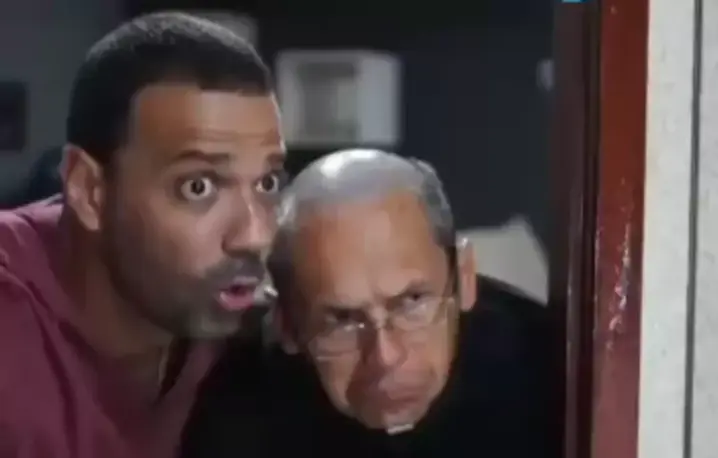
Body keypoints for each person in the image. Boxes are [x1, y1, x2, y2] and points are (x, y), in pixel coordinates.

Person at [0, 12, 285, 458]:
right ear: (89, 190)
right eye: (198, 186)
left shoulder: (238, 320)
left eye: (267, 183)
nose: (254, 235)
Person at [182, 149, 560, 458]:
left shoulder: (554, 375)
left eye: (412, 302)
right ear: (287, 326)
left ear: (464, 277)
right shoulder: (238, 410)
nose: (385, 356)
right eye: (342, 320)